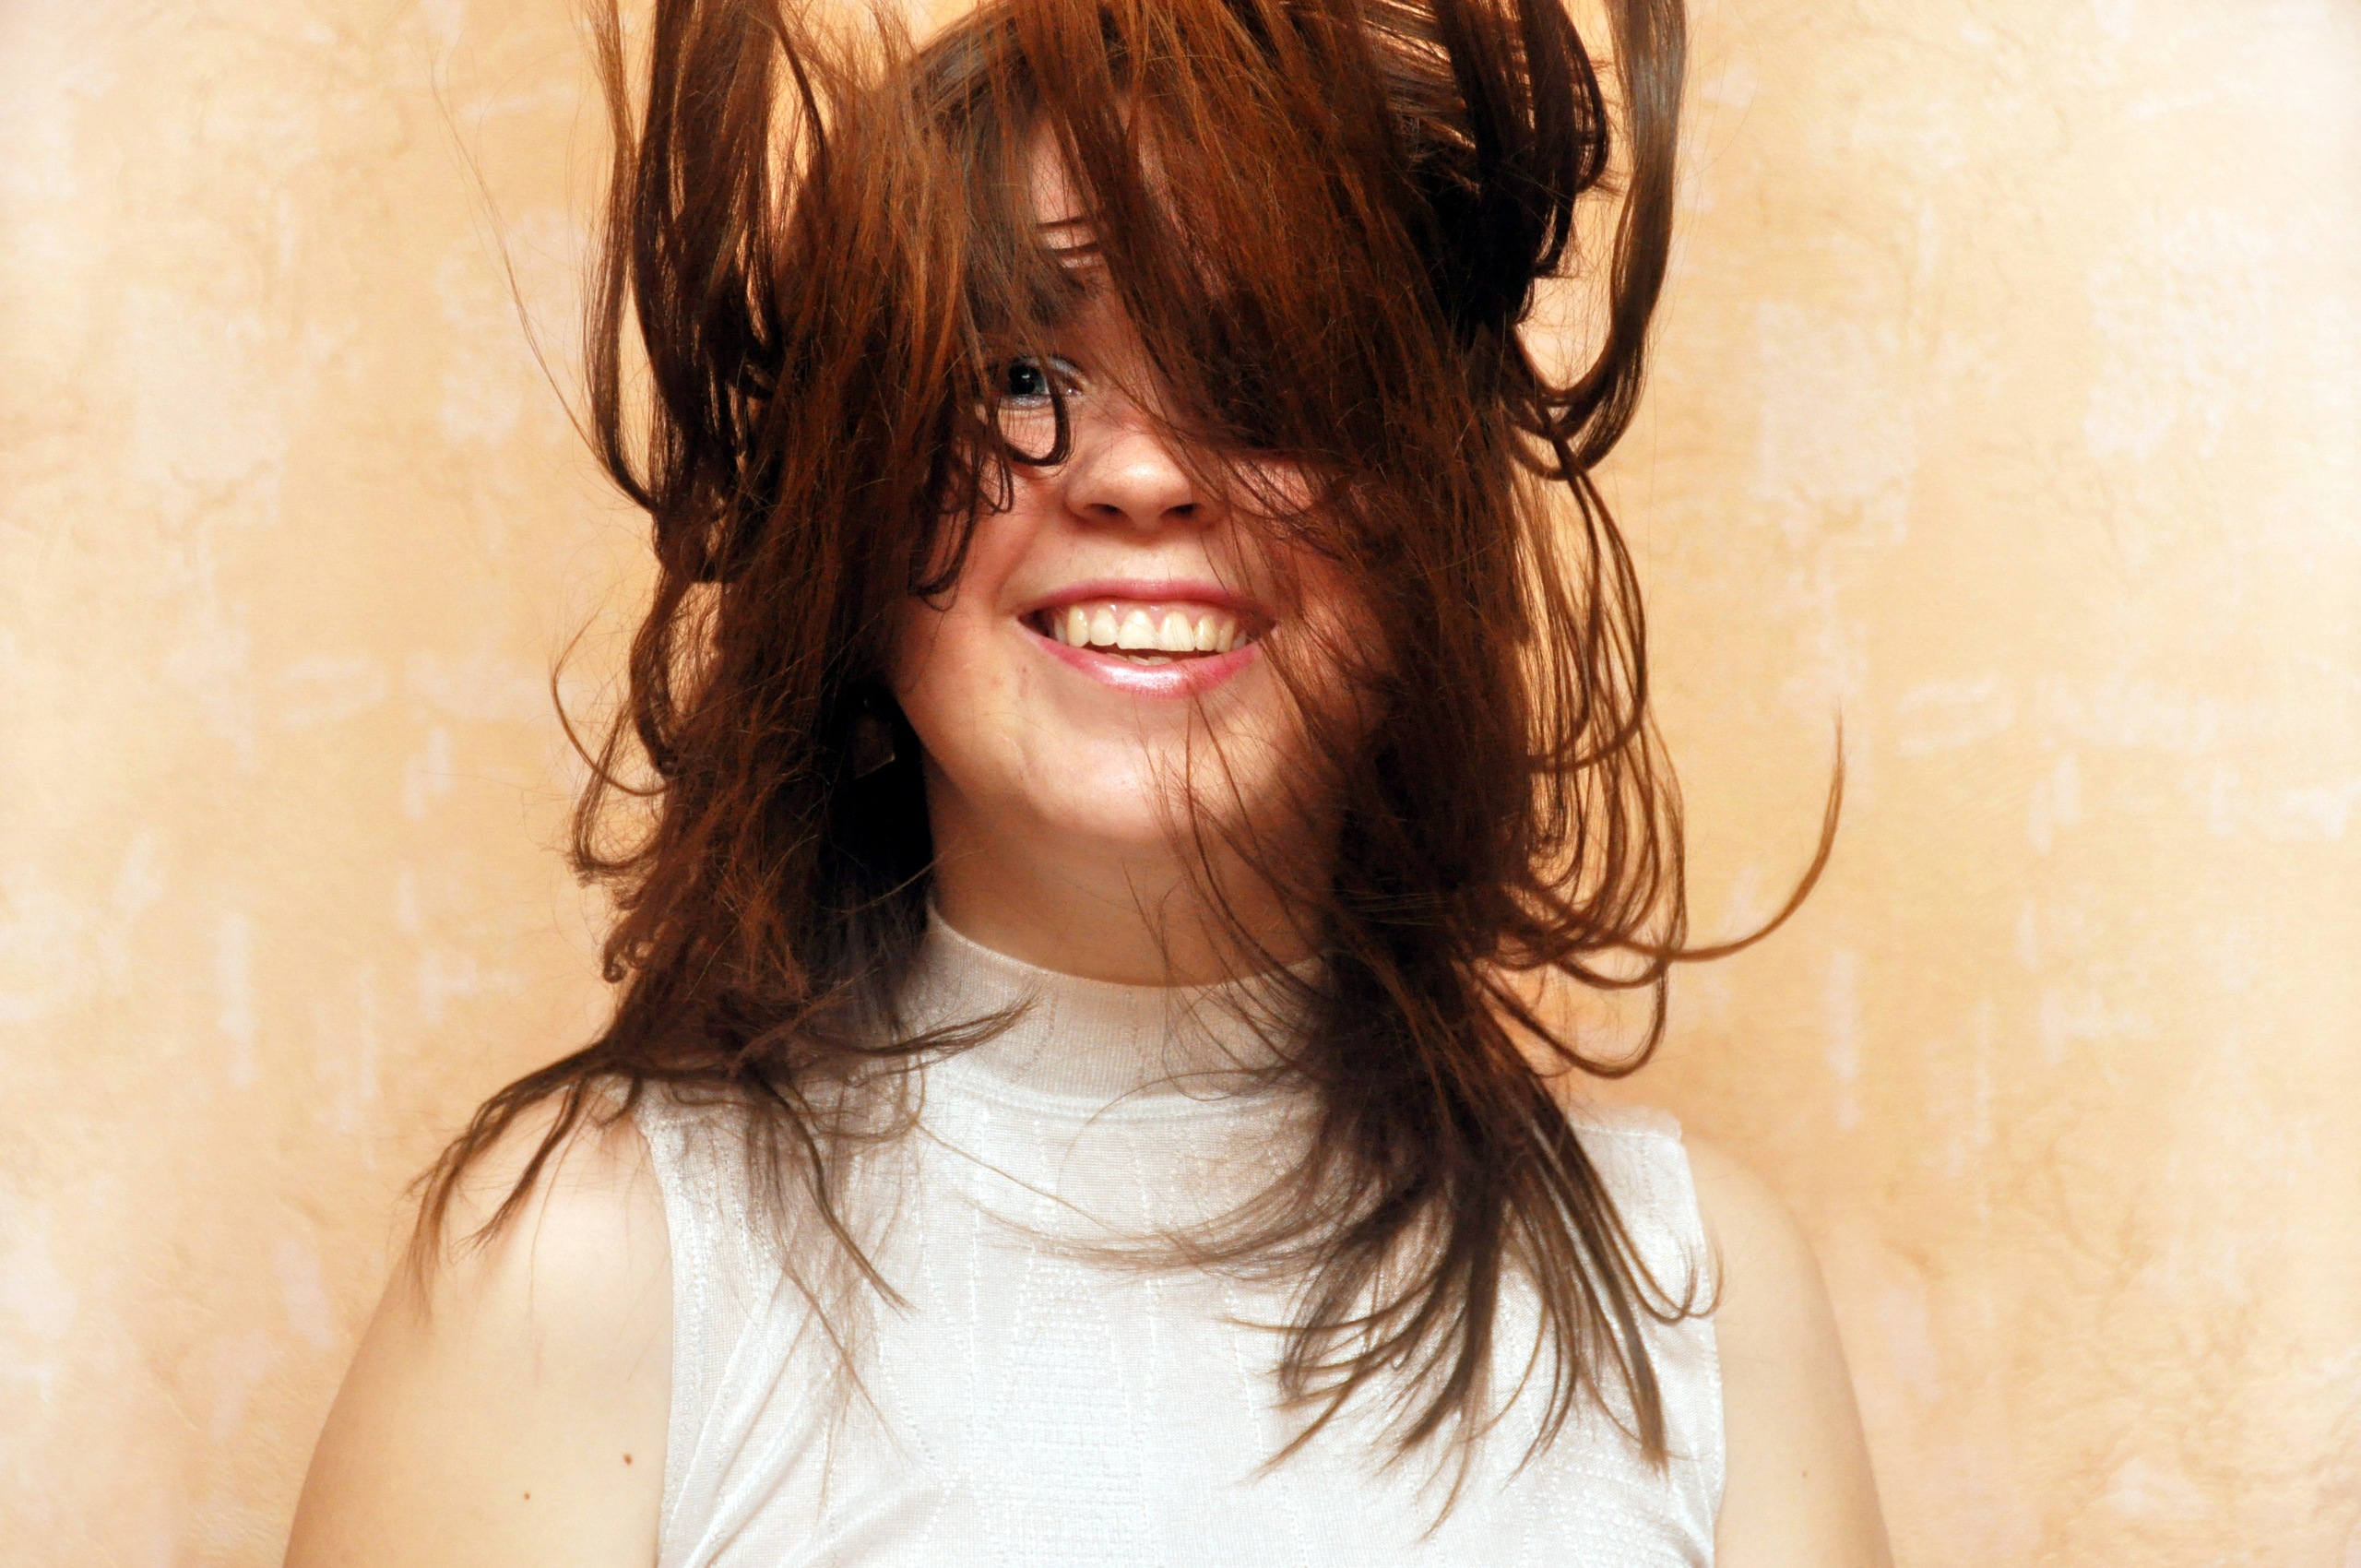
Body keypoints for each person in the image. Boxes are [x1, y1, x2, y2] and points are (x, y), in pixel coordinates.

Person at [287, 0, 1891, 1561]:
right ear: (848, 517)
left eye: (1263, 376)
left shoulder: (1702, 1296)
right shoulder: (580, 1270)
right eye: (1015, 377)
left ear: (1432, 525)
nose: (1139, 474)